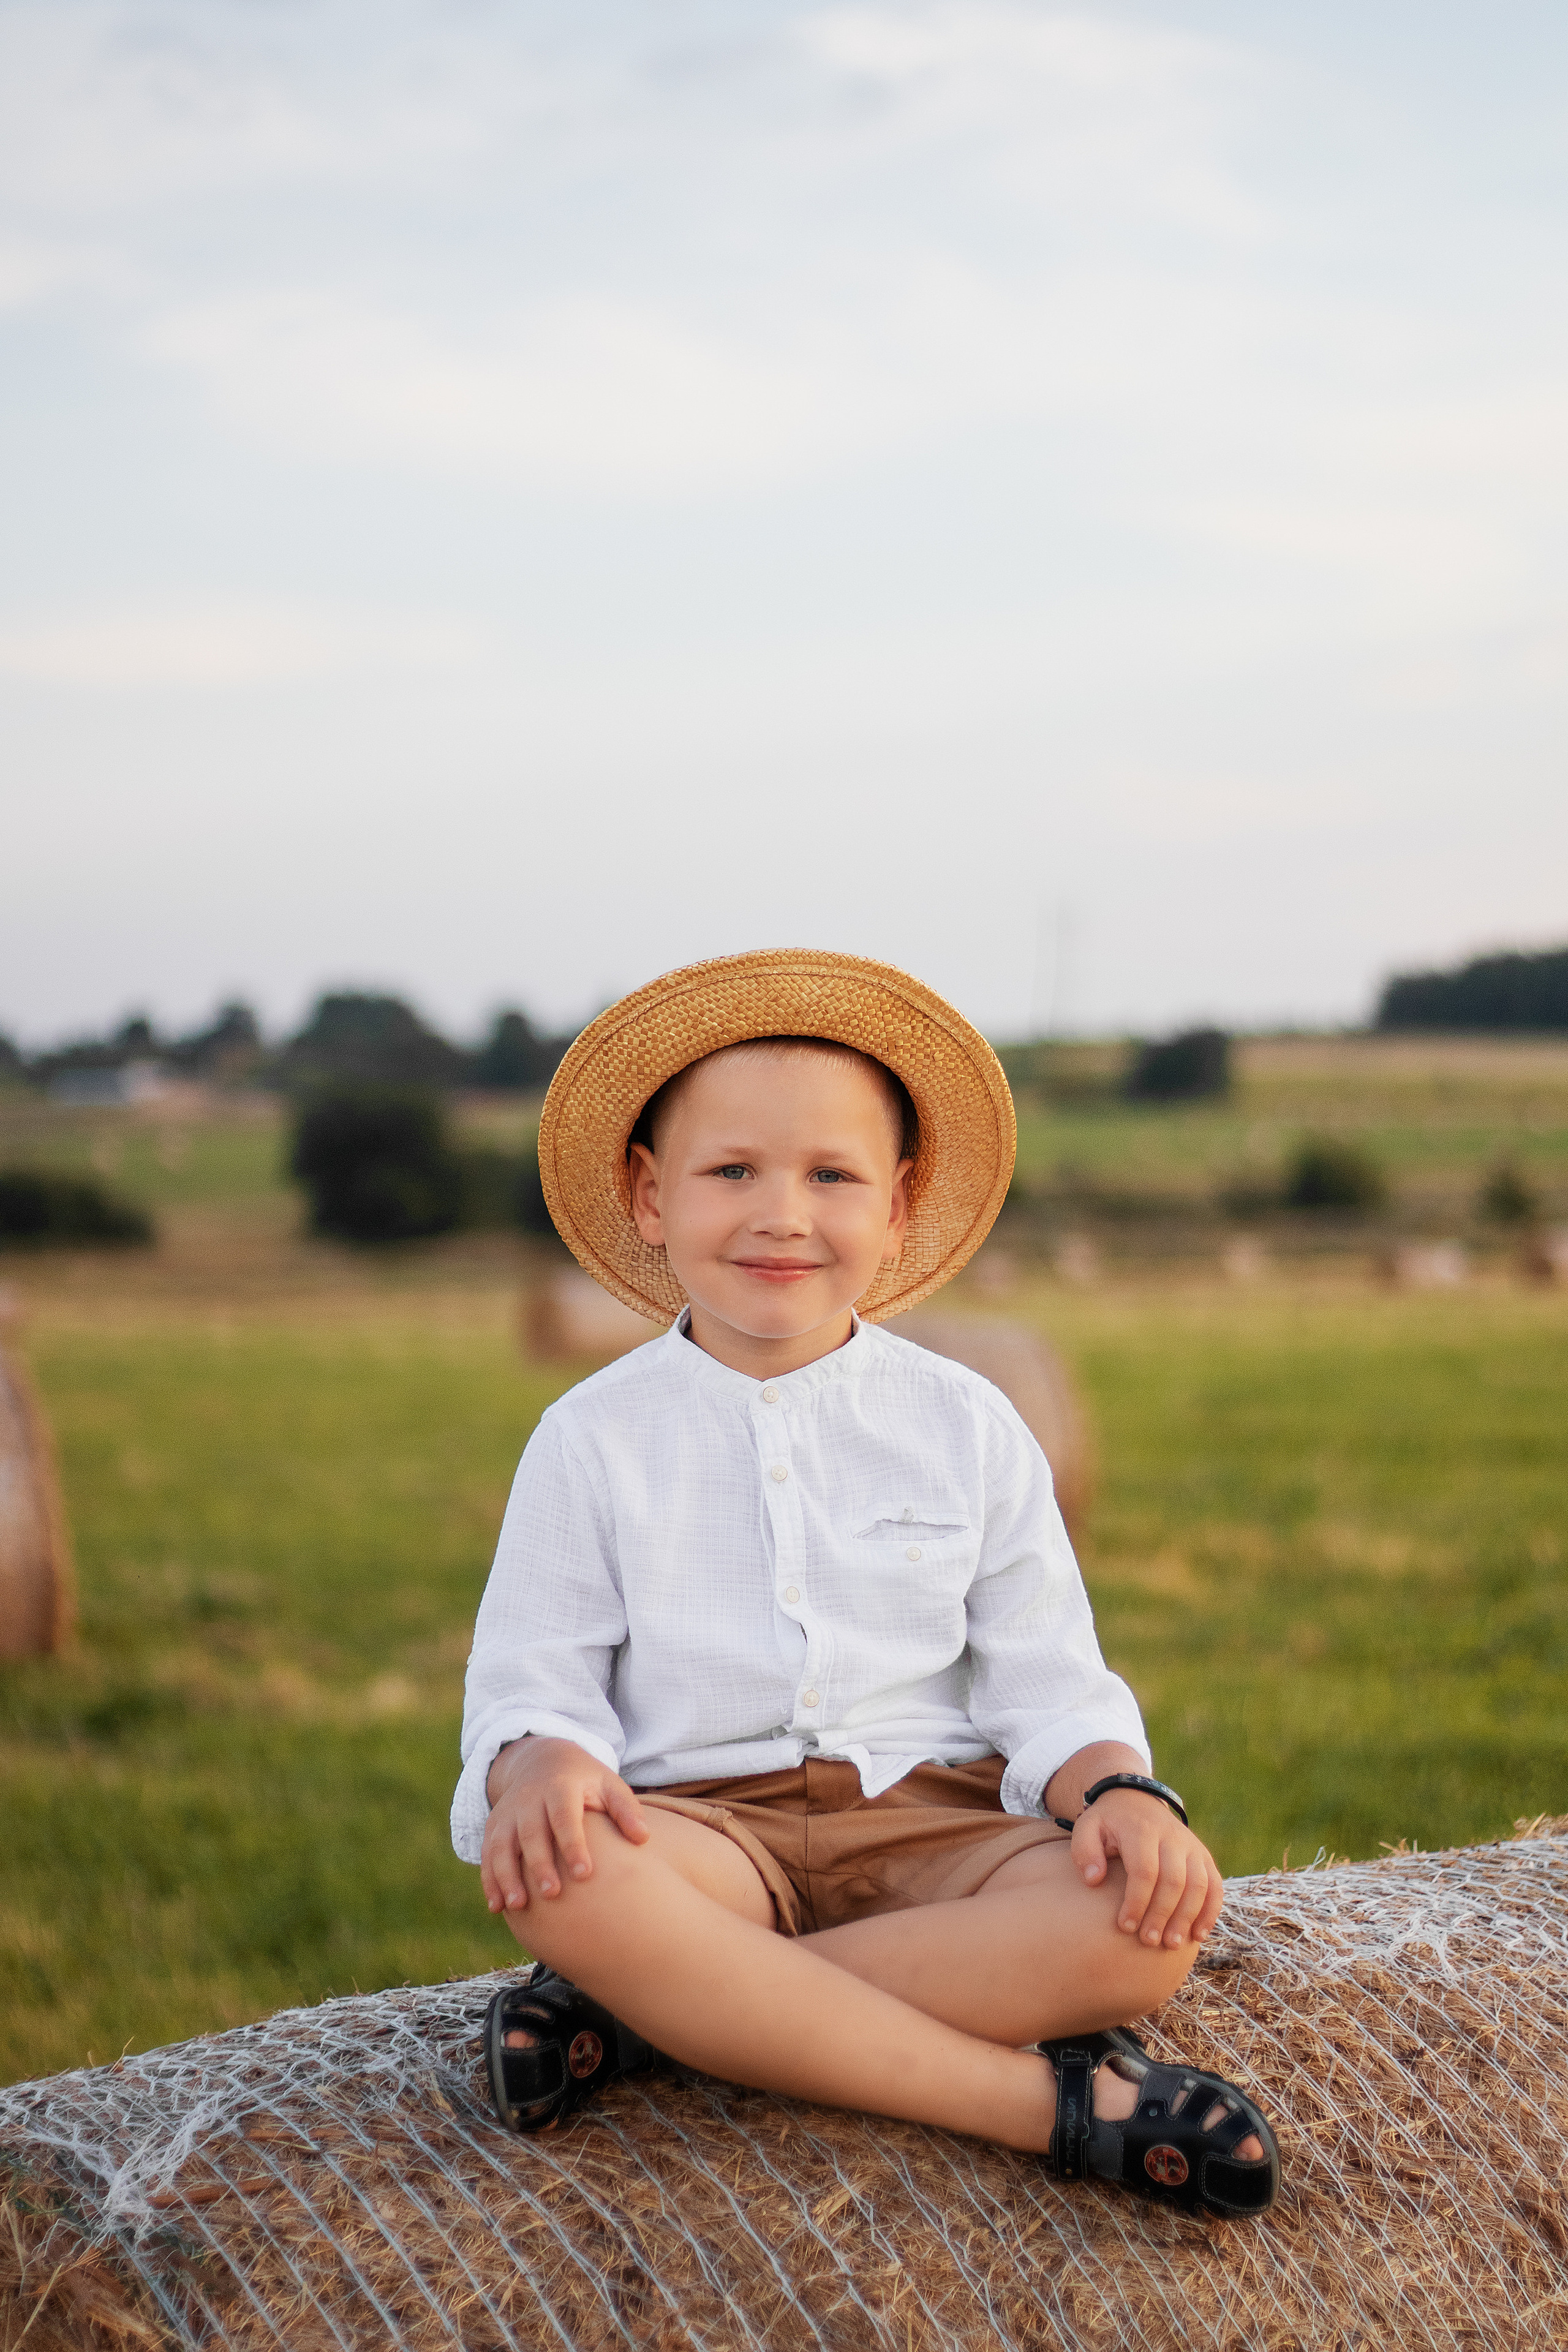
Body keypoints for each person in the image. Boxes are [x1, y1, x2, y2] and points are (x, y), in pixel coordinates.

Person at [453, 949, 1278, 2217]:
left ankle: (662, 2014)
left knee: (1138, 1923)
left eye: (831, 1177)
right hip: (701, 1836)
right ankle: (1035, 2107)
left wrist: (1119, 1790)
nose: (782, 1215)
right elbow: (536, 1670)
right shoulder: (589, 1437)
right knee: (567, 1875)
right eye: (732, 1172)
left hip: (937, 1827)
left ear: (898, 1206)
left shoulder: (968, 1421)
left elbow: (1047, 1676)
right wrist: (545, 1761)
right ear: (649, 1196)